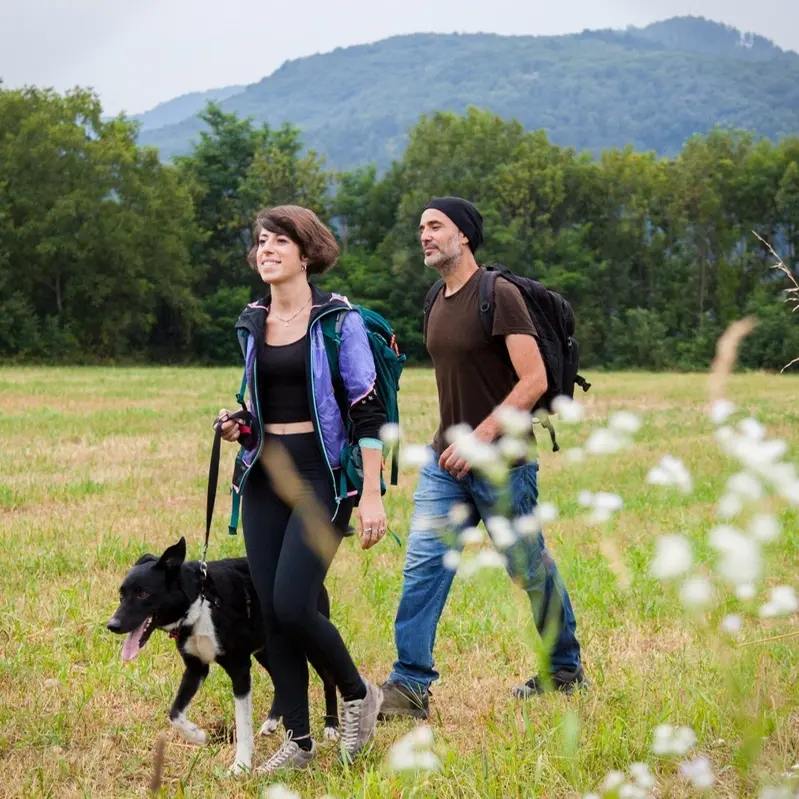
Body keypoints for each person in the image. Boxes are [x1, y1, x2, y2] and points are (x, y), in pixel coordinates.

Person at [379, 196, 585, 720]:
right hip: (444, 463)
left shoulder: (500, 295)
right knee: (424, 568)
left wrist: (481, 438)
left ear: (464, 235)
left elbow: (534, 380)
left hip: (503, 461)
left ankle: (564, 668)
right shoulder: (435, 298)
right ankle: (410, 685)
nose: (424, 235)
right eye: (420, 227)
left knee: (525, 567)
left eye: (435, 226)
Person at [217, 205, 386, 773]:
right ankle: (299, 740)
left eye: (278, 242)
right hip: (265, 475)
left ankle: (359, 694)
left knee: (293, 602)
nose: (265, 250)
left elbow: (367, 410)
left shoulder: (339, 322)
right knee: (269, 610)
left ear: (307, 253)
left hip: (321, 476)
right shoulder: (252, 320)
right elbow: (264, 404)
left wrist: (373, 496)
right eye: (261, 242)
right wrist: (241, 424)